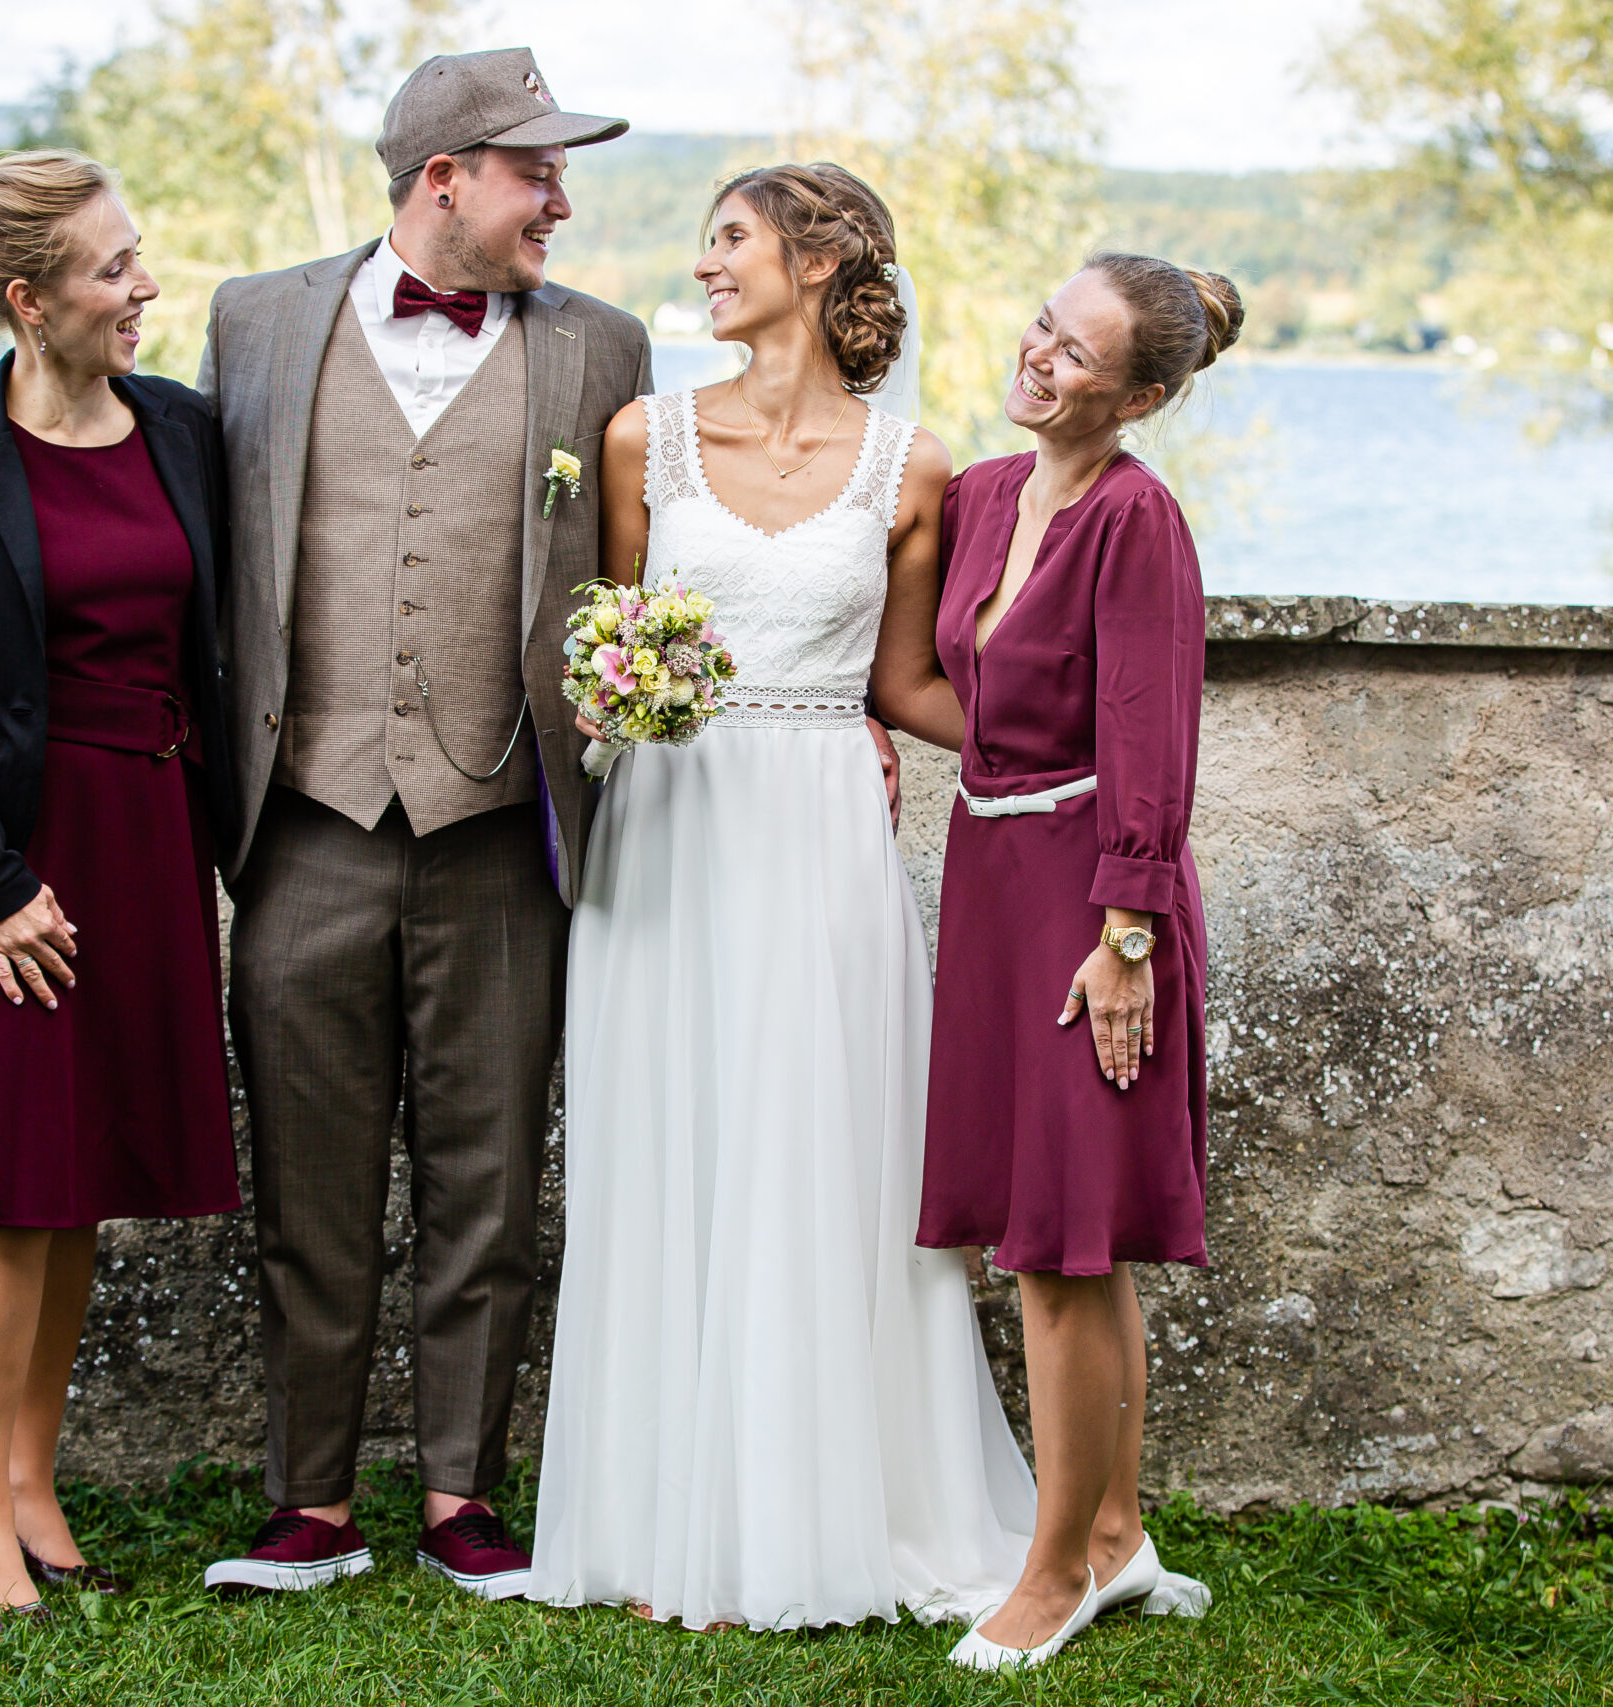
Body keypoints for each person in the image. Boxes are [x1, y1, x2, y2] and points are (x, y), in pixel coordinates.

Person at [526, 163, 1036, 1633]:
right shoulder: (642, 442)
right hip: (672, 826)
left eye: (731, 240)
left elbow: (909, 684)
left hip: (821, 835)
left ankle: (834, 1510)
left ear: (819, 263)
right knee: (670, 1144)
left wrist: (1055, 754)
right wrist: (621, 697)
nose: (705, 268)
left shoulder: (911, 468)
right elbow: (609, 636)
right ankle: (657, 1514)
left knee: (822, 1155)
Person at [194, 49, 648, 1599]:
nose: (562, 202)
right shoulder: (254, 319)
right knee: (308, 1179)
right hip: (304, 812)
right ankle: (309, 1501)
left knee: (490, 1173)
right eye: (538, 174)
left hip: (504, 820)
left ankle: (464, 1492)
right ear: (443, 179)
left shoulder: (604, 346)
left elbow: (649, 569)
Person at [0, 149, 240, 1632]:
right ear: (29, 297)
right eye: (113, 269)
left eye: (138, 255)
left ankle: (32, 1480)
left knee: (78, 1197)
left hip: (144, 841)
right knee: (9, 1199)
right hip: (2, 860)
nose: (144, 286)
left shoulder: (185, 432)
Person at [873, 254, 1238, 1669]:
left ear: (1140, 394)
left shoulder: (1138, 520)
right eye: (1040, 325)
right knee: (1054, 1237)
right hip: (992, 877)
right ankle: (1119, 1537)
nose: (1040, 358)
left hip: (1097, 909)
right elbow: (922, 689)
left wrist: (1125, 940)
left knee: (1065, 1253)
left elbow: (1154, 738)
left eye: (1078, 354)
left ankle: (1050, 1574)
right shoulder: (976, 500)